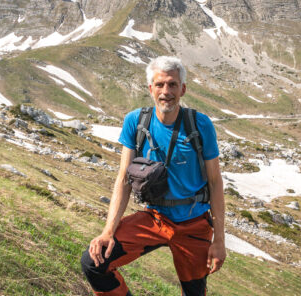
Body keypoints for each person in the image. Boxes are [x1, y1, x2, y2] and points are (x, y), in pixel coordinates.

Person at [81, 56, 226, 296]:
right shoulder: (135, 121)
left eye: (172, 84)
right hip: (154, 218)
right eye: (160, 85)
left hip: (195, 224)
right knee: (94, 262)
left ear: (183, 89)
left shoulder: (200, 125)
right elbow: (124, 179)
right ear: (151, 89)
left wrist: (219, 240)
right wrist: (108, 232)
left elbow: (215, 182)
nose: (166, 91)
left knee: (194, 293)